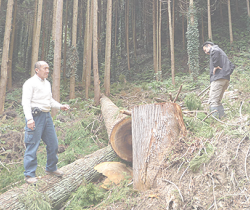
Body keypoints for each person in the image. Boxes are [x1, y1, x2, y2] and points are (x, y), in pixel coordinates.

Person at [22, 61, 70, 184]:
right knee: (32, 146)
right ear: (37, 70)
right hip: (35, 117)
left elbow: (49, 100)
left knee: (53, 144)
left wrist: (60, 106)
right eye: (45, 68)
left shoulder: (47, 83)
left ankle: (51, 168)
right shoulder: (30, 83)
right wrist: (29, 119)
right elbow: (26, 102)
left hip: (47, 116)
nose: (47, 71)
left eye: (48, 68)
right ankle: (29, 175)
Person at [202, 41, 235, 119]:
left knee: (213, 100)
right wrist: (227, 74)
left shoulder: (215, 49)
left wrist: (216, 66)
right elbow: (232, 65)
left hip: (218, 79)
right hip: (225, 79)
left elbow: (214, 51)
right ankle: (222, 117)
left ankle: (214, 120)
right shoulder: (222, 53)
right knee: (218, 100)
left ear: (209, 46)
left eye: (205, 50)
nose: (206, 52)